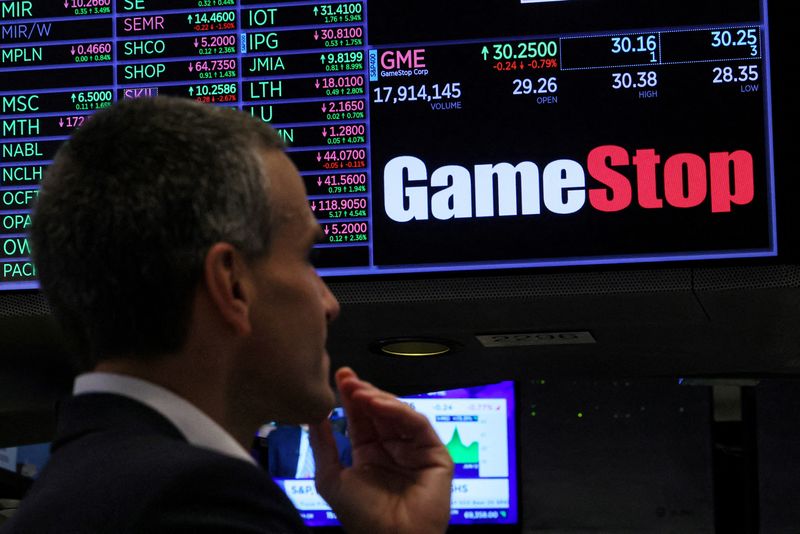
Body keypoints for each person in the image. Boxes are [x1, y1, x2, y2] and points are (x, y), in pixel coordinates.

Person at [1, 96, 453, 533]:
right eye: (305, 257)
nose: (329, 304)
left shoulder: (78, 487)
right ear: (231, 283)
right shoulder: (204, 500)